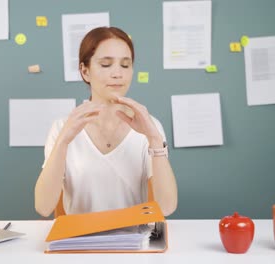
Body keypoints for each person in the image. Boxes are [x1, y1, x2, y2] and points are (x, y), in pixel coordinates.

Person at [35, 27, 177, 217]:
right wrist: (63, 142)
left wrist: (154, 138)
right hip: (80, 240)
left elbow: (167, 207)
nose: (118, 74)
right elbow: (43, 207)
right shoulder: (62, 127)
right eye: (106, 64)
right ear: (85, 72)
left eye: (125, 65)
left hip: (133, 239)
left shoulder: (149, 126)